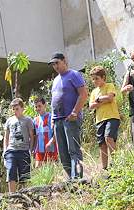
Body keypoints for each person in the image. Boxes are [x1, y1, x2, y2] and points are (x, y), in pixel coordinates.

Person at [49, 52, 87, 180]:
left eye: (57, 63)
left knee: (73, 150)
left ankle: (77, 179)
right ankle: (70, 179)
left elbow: (83, 94)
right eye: (53, 64)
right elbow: (54, 100)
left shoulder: (74, 75)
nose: (55, 66)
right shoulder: (55, 80)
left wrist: (75, 112)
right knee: (63, 153)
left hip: (70, 119)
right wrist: (52, 120)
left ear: (64, 61)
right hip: (58, 120)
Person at [88, 66, 120, 171]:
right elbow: (91, 106)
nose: (94, 81)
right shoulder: (93, 92)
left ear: (103, 77)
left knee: (108, 138)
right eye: (93, 79)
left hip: (112, 117)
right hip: (99, 120)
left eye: (97, 78)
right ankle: (105, 168)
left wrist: (98, 101)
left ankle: (117, 163)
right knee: (102, 144)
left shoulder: (109, 86)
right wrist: (101, 100)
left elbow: (110, 98)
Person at [3, 98, 35, 192]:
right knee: (11, 173)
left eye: (17, 109)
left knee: (24, 176)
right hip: (11, 151)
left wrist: (31, 150)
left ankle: (24, 195)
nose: (15, 111)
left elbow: (32, 136)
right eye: (13, 109)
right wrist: (5, 151)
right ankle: (12, 196)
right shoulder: (9, 121)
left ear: (22, 108)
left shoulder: (28, 120)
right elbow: (6, 137)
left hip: (24, 150)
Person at [32, 97, 57, 166]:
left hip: (51, 148)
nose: (37, 108)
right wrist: (33, 148)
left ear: (45, 105)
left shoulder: (51, 117)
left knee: (51, 169)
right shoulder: (35, 120)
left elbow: (56, 132)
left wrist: (51, 141)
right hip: (39, 149)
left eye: (39, 106)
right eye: (36, 107)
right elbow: (34, 136)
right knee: (38, 168)